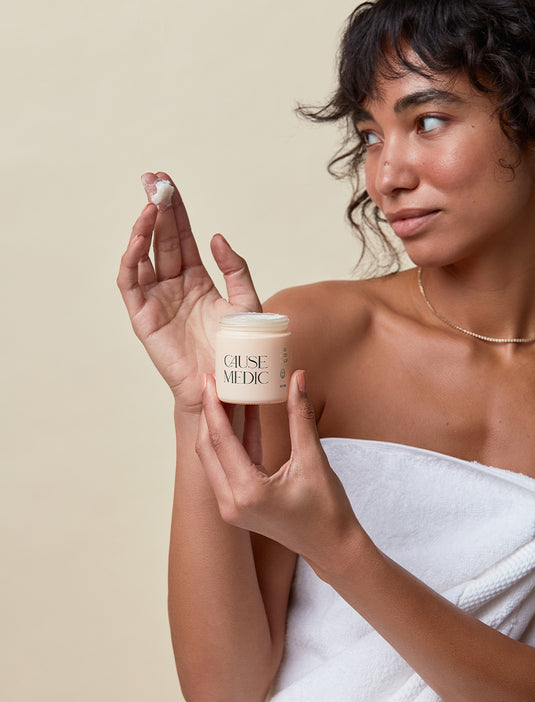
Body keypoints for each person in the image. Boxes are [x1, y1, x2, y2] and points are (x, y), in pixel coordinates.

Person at [117, 0, 535, 699]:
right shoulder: (313, 339)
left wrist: (336, 545)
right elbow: (223, 688)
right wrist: (199, 404)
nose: (386, 175)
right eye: (370, 134)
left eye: (427, 121)